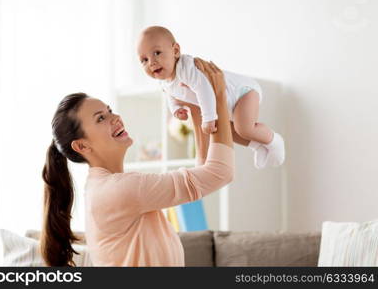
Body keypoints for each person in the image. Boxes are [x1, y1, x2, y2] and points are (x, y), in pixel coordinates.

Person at [40, 59, 234, 267]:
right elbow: (220, 172)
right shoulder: (120, 189)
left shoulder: (110, 187)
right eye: (100, 119)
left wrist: (197, 109)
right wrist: (218, 96)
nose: (115, 117)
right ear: (82, 147)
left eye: (110, 110)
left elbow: (204, 175)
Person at [137, 26, 285, 169]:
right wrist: (176, 109)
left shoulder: (186, 68)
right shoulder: (164, 82)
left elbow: (204, 89)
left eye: (157, 53)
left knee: (244, 128)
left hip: (243, 92)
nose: (152, 62)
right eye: (144, 60)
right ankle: (257, 145)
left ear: (175, 51)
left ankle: (274, 140)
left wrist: (208, 117)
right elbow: (171, 95)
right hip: (227, 104)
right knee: (227, 130)